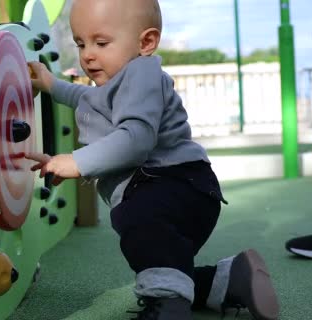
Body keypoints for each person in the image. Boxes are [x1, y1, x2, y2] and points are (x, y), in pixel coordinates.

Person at [25, 0, 280, 319]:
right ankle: (227, 280)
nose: (88, 54)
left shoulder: (142, 73)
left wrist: (77, 161)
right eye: (81, 43)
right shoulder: (116, 82)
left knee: (141, 229)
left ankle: (168, 309)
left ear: (146, 42)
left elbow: (136, 139)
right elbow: (86, 99)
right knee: (161, 262)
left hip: (169, 186)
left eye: (101, 42)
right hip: (178, 188)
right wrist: (51, 84)